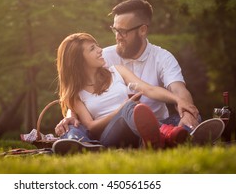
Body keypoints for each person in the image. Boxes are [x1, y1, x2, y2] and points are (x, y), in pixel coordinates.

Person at [54, 32, 194, 152]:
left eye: (96, 45)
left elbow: (148, 89)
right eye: (92, 49)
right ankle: (167, 134)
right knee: (131, 107)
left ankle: (180, 134)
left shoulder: (117, 71)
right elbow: (91, 126)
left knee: (184, 117)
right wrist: (122, 109)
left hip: (135, 128)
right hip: (109, 135)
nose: (99, 50)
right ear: (79, 61)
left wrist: (178, 100)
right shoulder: (75, 94)